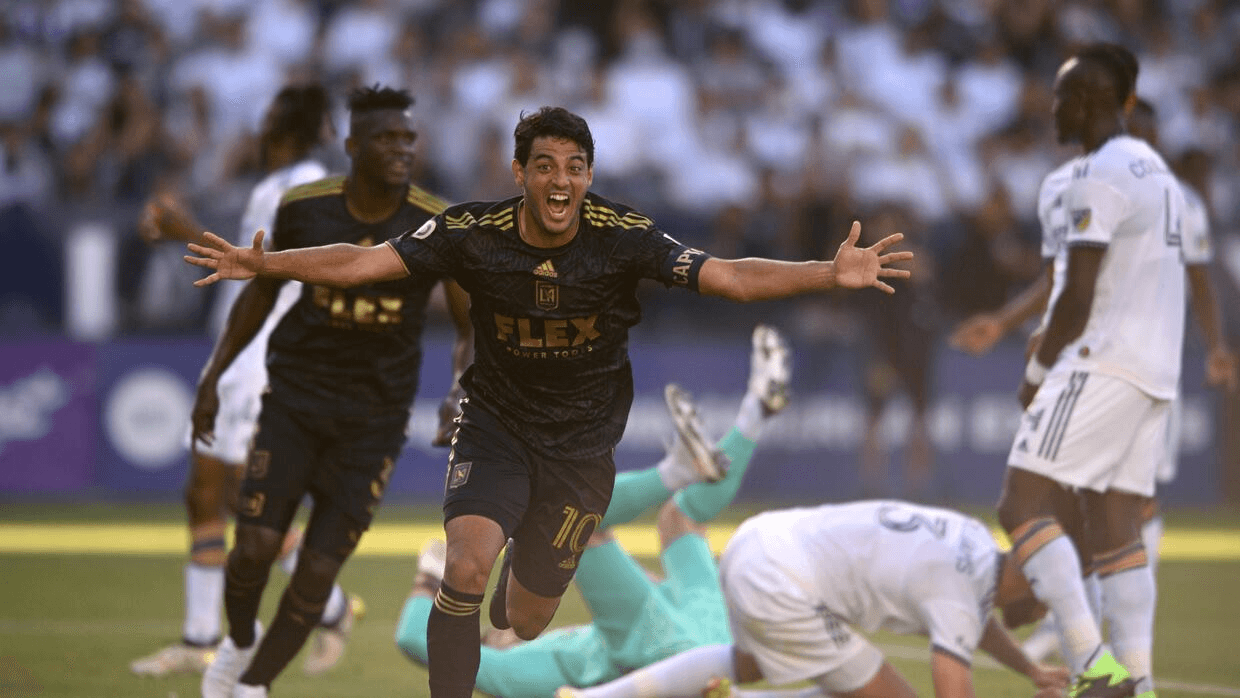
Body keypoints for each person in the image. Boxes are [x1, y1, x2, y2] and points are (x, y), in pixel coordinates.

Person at [183, 105, 914, 698]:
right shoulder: (472, 231)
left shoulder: (622, 237)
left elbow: (728, 277)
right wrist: (263, 263)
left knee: (527, 617)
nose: (561, 181)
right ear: (520, 173)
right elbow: (364, 262)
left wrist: (827, 271)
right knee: (466, 567)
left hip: (582, 448)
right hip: (496, 425)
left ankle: (514, 587)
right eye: (545, 166)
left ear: (588, 175)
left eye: (574, 167)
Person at [194, 84, 473, 698]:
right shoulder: (303, 208)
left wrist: (459, 389)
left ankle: (254, 685)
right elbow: (260, 294)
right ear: (352, 145)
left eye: (408, 137)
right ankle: (238, 643)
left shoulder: (436, 222)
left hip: (374, 421)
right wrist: (213, 378)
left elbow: (468, 328)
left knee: (318, 571)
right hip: (295, 401)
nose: (403, 148)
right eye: (387, 138)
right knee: (255, 548)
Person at [954, 95, 1239, 666]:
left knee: (1091, 503)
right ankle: (1103, 647)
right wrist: (1010, 322)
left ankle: (1095, 644)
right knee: (1089, 503)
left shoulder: (1169, 200)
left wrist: (1215, 347)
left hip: (1121, 364)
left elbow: (1198, 281)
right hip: (1113, 363)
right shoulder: (1106, 189)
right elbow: (1062, 276)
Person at [395, 324, 792, 698]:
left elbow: (654, 587)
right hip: (688, 651)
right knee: (571, 526)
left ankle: (754, 411)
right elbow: (415, 640)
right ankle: (687, 463)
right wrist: (429, 575)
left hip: (709, 652)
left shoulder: (581, 647)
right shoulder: (531, 669)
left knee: (679, 520)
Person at [129, 83, 367, 678]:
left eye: (268, 121)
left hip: (266, 361)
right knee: (203, 493)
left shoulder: (300, 188)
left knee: (244, 499)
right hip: (240, 357)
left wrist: (185, 227)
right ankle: (198, 636)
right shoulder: (277, 186)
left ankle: (331, 608)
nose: (259, 132)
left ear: (286, 128)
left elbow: (266, 274)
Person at [995, 44, 1192, 698]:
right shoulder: (1158, 173)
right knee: (1115, 526)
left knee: (1020, 502)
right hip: (1155, 372)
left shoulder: (1098, 174)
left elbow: (1077, 294)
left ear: (1088, 102)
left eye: (1060, 96)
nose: (1052, 108)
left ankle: (1093, 669)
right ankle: (1139, 679)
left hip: (1101, 361)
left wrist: (1039, 369)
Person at [553, 498, 1070, 698]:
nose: (1047, 613)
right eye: (1053, 600)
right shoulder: (961, 594)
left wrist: (1030, 669)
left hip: (758, 540)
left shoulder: (976, 544)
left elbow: (976, 619)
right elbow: (952, 683)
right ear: (1029, 580)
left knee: (750, 663)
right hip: (782, 584)